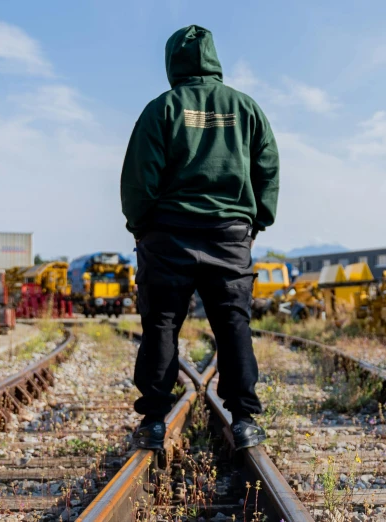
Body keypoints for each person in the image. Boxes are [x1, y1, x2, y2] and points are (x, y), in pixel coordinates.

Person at [120, 25, 280, 451]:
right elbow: (268, 169)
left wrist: (142, 226)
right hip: (229, 234)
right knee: (233, 324)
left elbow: (139, 179)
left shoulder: (162, 109)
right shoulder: (246, 108)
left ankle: (154, 422)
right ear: (213, 58)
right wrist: (255, 221)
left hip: (169, 236)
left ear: (173, 61)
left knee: (162, 324)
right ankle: (244, 420)